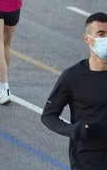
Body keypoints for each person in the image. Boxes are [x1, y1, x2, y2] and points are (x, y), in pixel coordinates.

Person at [41, 12, 107, 170]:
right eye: (101, 34)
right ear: (87, 39)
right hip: (86, 162)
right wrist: (74, 130)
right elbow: (49, 116)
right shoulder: (73, 77)